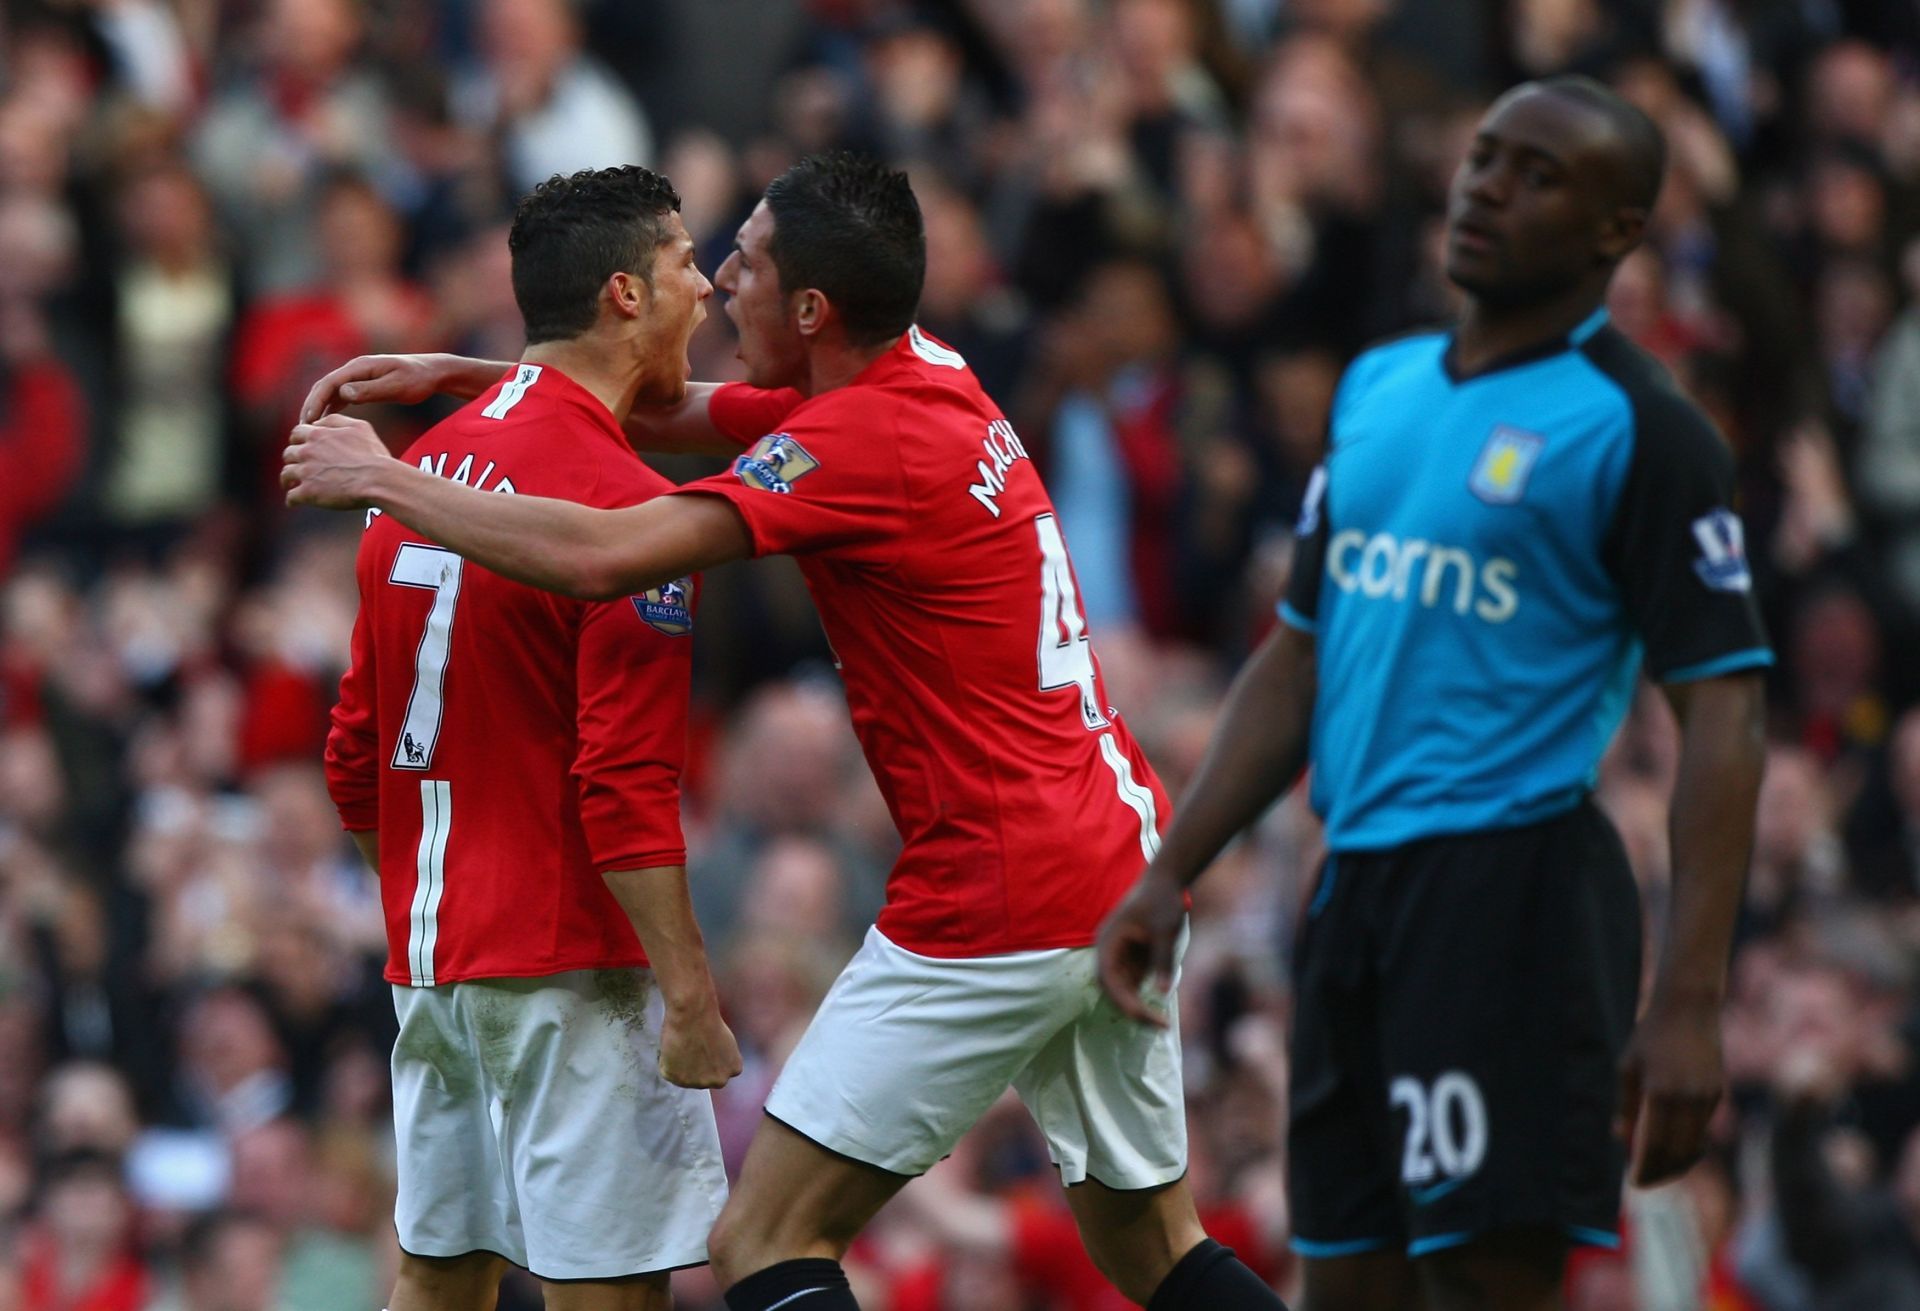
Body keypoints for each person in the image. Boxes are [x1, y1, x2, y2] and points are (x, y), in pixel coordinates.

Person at [284, 153, 1288, 1311]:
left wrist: (387, 476)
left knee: (764, 1237)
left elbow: (606, 555)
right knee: (1152, 1244)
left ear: (810, 311)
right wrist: (484, 379)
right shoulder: (925, 374)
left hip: (1002, 885)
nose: (716, 280)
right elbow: (676, 410)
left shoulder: (852, 446)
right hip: (1115, 852)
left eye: (746, 262)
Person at [1095, 76, 1772, 1311]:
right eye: (1484, 159)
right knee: (1340, 1284)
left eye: (1539, 175)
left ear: (1619, 232)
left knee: (1479, 1289)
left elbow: (1724, 709)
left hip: (1512, 896)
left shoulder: (1644, 429)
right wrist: (1171, 864)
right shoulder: (1381, 387)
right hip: (1352, 893)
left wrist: (1690, 999)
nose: (1489, 190)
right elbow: (1298, 649)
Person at [322, 165, 739, 1311]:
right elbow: (625, 781)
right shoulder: (626, 510)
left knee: (439, 1277)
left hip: (436, 955)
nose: (706, 292)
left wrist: (428, 911)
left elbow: (355, 751)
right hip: (574, 966)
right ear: (625, 296)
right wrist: (692, 997)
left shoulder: (415, 473)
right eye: (685, 266)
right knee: (605, 1291)